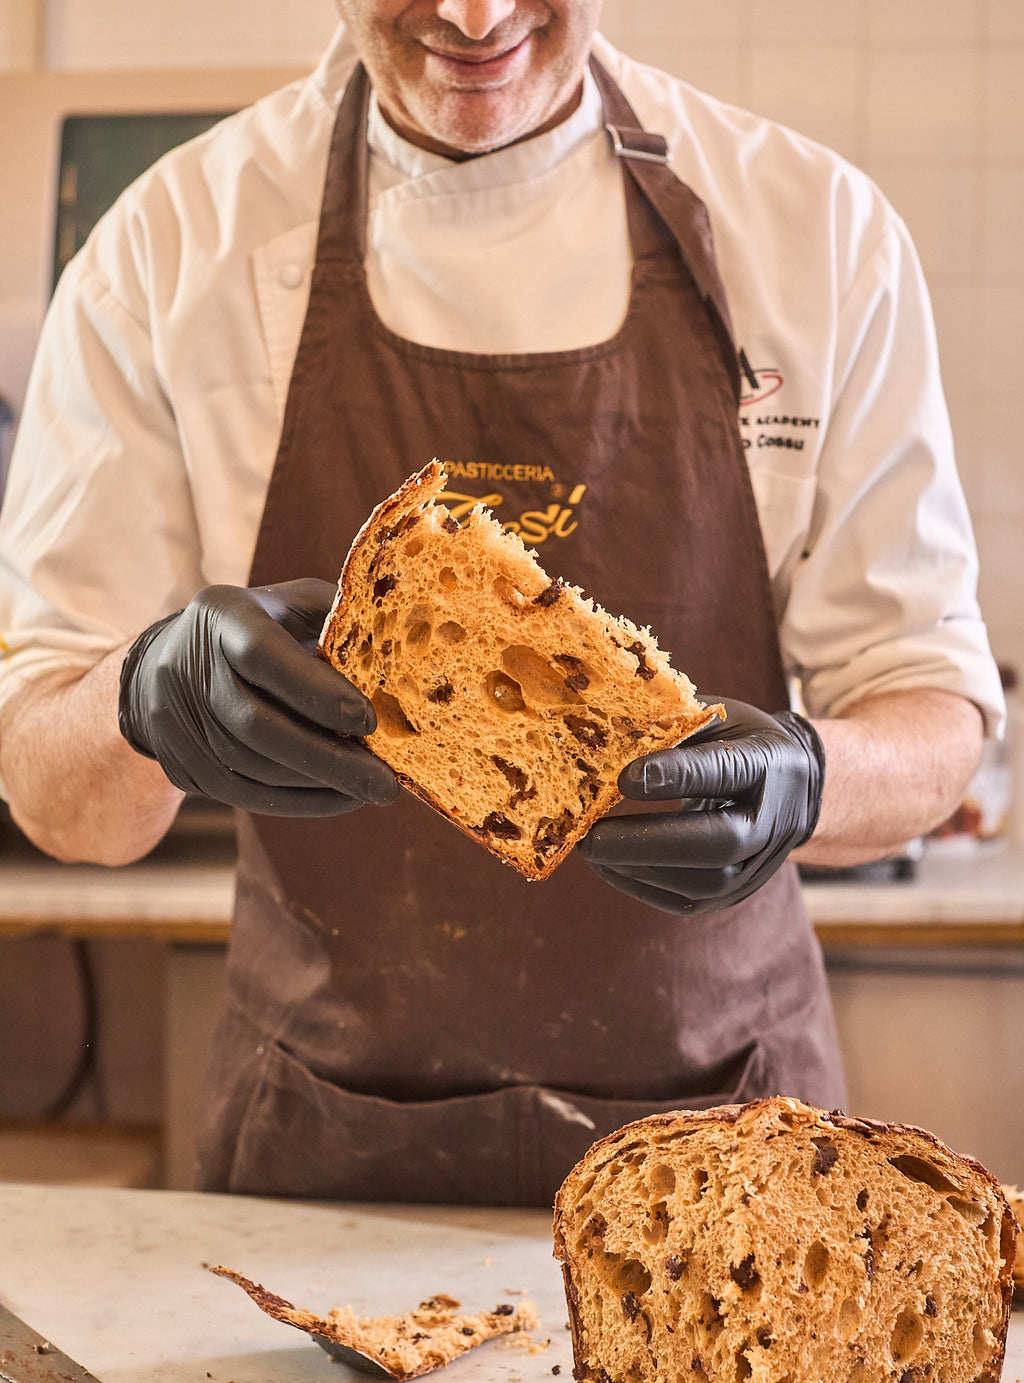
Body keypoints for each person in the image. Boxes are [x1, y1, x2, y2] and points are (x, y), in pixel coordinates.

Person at [0, 1, 1002, 1203]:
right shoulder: (168, 251)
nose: (474, 18)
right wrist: (139, 701)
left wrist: (805, 781)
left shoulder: (813, 233)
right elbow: (66, 806)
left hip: (726, 1164)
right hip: (327, 1158)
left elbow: (932, 714)